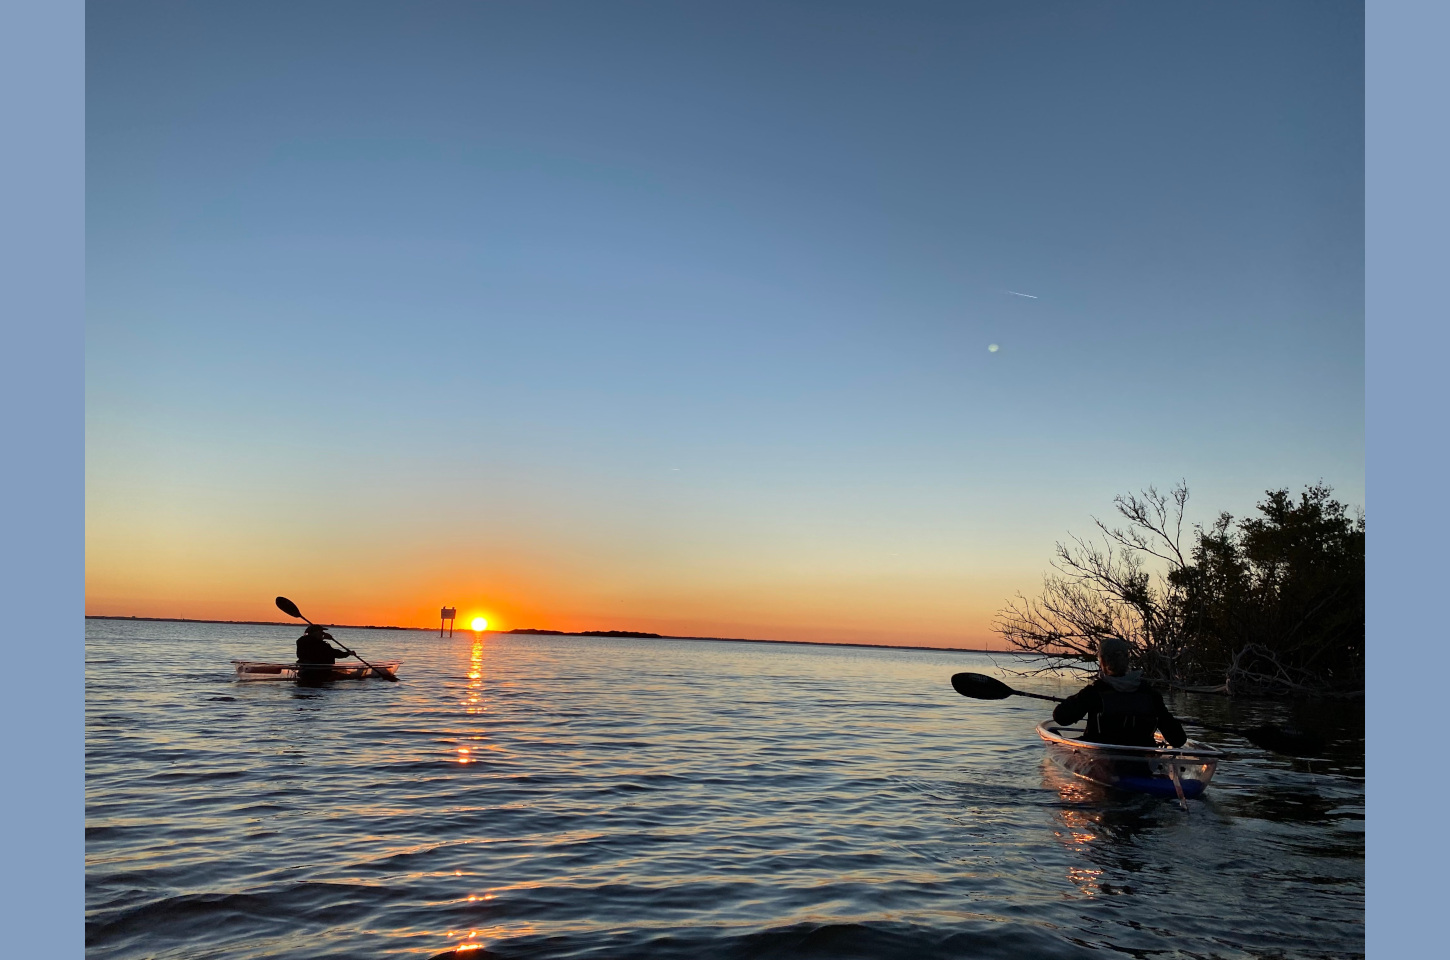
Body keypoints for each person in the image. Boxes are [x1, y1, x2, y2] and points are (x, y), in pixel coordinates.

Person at [1053, 637, 1186, 748]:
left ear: (1102, 661)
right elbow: (1178, 740)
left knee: (1053, 732)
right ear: (1127, 660)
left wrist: (1078, 699)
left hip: (1100, 763)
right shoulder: (1151, 694)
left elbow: (1060, 717)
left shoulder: (1094, 692)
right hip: (1142, 766)